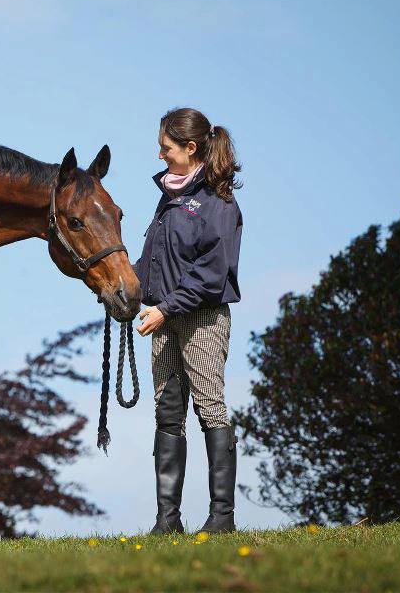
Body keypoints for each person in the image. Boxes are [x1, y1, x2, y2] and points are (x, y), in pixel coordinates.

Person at [134, 107, 243, 534]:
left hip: (201, 318)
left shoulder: (218, 203)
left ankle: (222, 518)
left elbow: (211, 273)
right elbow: (155, 262)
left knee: (210, 408)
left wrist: (165, 307)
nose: (160, 154)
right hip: (163, 317)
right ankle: (167, 521)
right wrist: (127, 292)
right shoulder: (168, 198)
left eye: (166, 147)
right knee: (167, 412)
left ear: (190, 148)